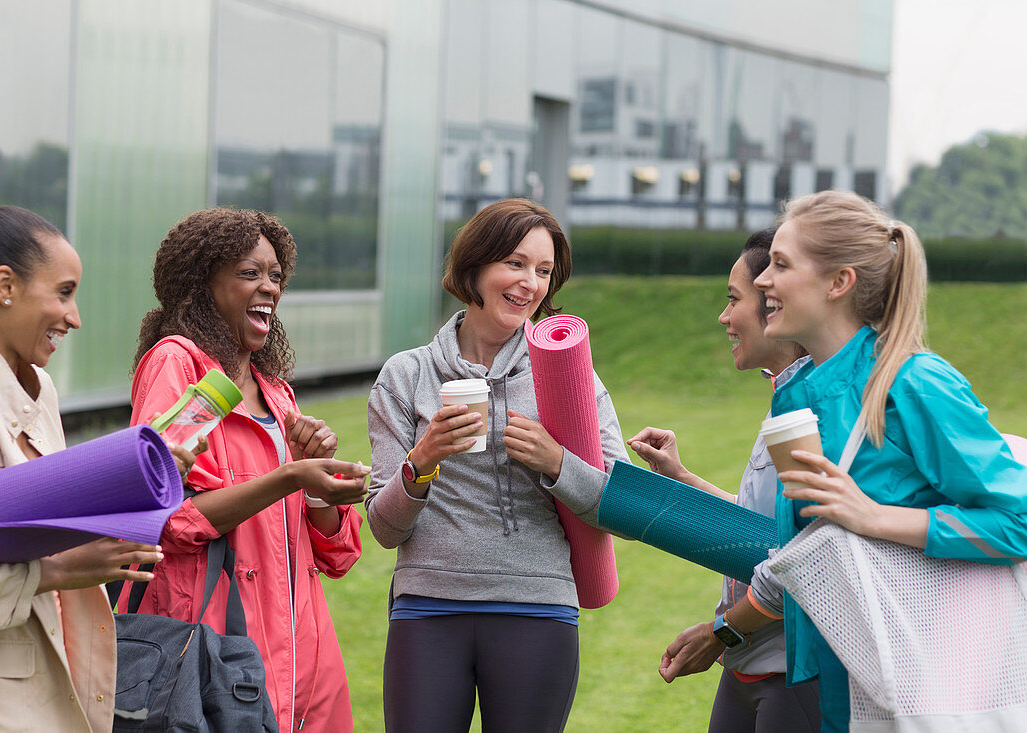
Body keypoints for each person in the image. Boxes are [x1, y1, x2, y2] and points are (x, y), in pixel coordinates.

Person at [660, 190, 1027, 732]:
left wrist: (875, 517)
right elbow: (796, 552)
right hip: (826, 684)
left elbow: (1016, 520)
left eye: (781, 265)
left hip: (909, 688)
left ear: (839, 283)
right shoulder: (798, 394)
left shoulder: (915, 382)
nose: (763, 282)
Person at [366, 198, 629, 732]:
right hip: (428, 605)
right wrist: (424, 459)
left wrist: (556, 463)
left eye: (543, 270)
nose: (529, 282)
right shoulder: (406, 376)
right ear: (475, 267)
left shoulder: (569, 375)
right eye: (514, 262)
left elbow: (619, 506)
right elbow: (384, 528)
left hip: (537, 603)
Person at [0, 187, 165, 731]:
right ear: (5, 286)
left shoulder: (41, 394)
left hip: (54, 690)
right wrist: (53, 571)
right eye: (64, 293)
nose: (74, 317)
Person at [125, 208, 369, 733]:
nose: (269, 288)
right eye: (249, 273)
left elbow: (336, 553)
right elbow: (165, 515)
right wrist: (290, 478)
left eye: (276, 275)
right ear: (202, 281)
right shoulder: (179, 364)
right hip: (208, 652)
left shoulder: (276, 391)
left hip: (305, 654)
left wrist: (322, 489)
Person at [628, 229, 819, 733]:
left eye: (733, 299)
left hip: (795, 672)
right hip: (750, 669)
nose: (724, 317)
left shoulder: (816, 410)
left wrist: (720, 633)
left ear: (775, 303)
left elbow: (805, 558)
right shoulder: (786, 400)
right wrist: (681, 477)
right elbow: (765, 530)